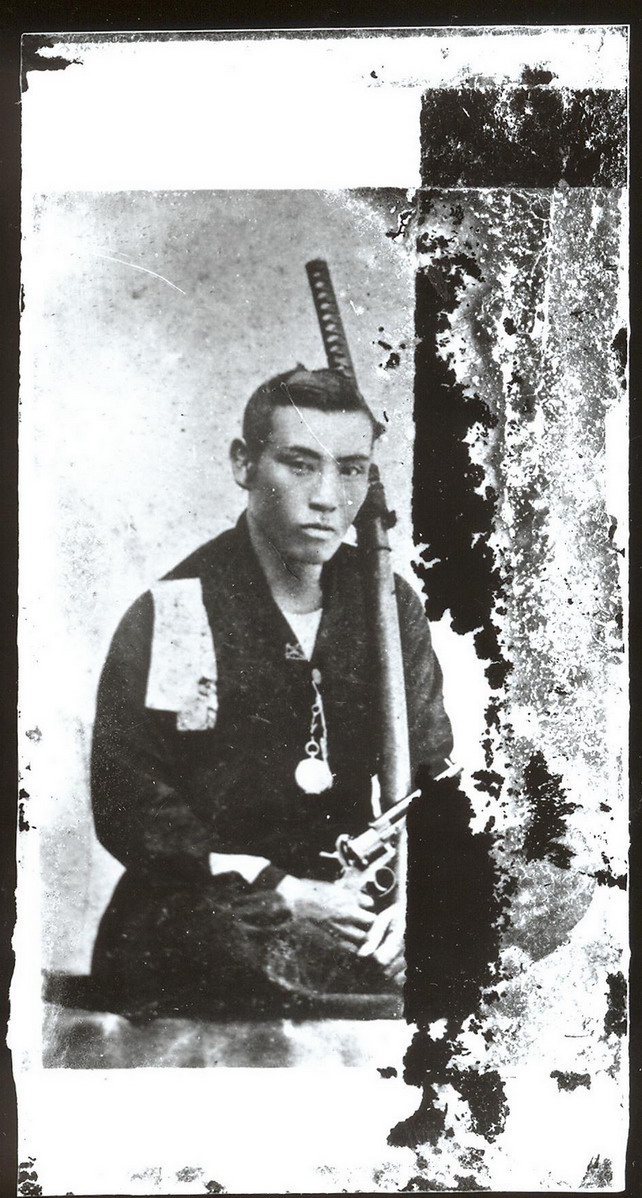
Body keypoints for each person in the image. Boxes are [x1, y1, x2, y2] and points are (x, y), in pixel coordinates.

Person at [90, 366, 453, 1019]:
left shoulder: (386, 604)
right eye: (300, 464)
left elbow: (431, 777)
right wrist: (282, 889)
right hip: (224, 907)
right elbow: (133, 808)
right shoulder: (179, 612)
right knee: (216, 941)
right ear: (244, 463)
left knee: (538, 887)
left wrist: (417, 900)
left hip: (353, 906)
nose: (327, 497)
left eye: (351, 470)